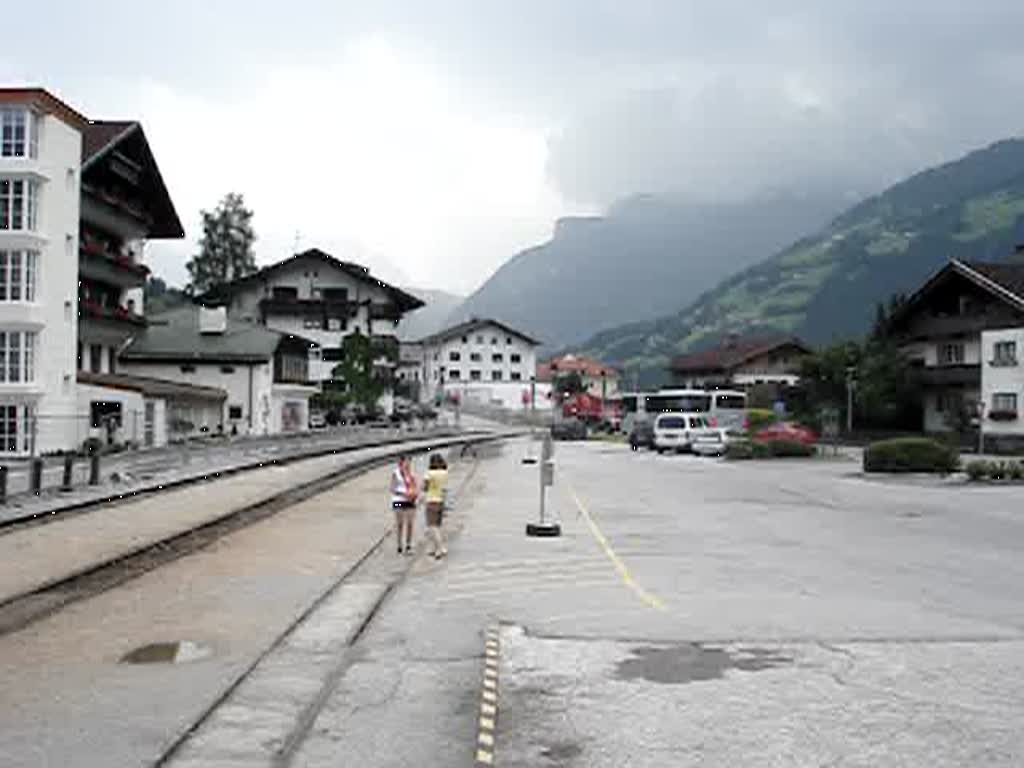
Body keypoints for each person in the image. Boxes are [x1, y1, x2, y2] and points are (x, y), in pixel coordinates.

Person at [422, 452, 450, 559]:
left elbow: (424, 487)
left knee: (432, 527)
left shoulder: (429, 474)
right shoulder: (444, 473)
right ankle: (433, 548)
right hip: (441, 501)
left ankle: (440, 547)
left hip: (431, 501)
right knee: (437, 526)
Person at [390, 455, 418, 555]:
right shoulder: (396, 473)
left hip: (410, 501)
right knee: (400, 523)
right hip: (398, 501)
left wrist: (414, 494)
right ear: (401, 462)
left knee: (410, 523)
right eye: (407, 461)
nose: (408, 463)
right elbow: (392, 488)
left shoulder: (411, 474)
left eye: (409, 461)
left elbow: (415, 486)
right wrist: (404, 494)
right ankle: (399, 544)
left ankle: (408, 544)